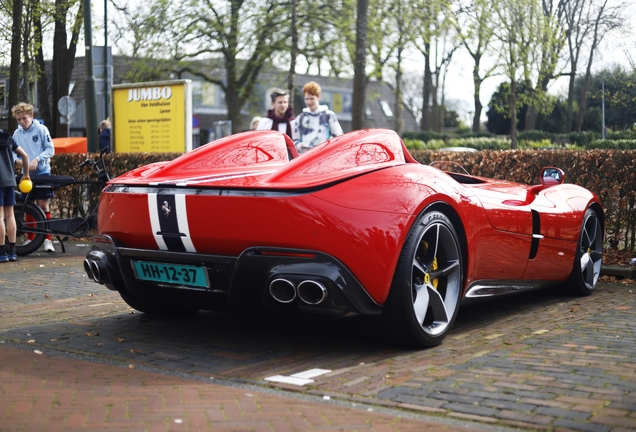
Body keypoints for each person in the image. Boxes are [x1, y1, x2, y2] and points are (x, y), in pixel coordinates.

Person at [11, 102, 55, 252]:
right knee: (27, 205)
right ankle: (31, 239)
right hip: (26, 175)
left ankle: (47, 240)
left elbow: (50, 149)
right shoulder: (16, 134)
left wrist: (37, 159)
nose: (22, 122)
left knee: (43, 205)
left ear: (31, 116)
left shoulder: (41, 129)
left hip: (42, 173)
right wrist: (19, 161)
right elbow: (11, 153)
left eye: (24, 118)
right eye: (19, 119)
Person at [0, 129, 30, 262]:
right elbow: (25, 156)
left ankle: (1, 253)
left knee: (0, 217)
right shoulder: (8, 138)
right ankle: (12, 252)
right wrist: (26, 174)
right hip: (10, 181)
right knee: (10, 215)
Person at [294, 81, 343, 154]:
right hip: (305, 156)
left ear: (318, 97)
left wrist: (328, 145)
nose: (309, 102)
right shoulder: (300, 118)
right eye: (307, 99)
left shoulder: (329, 115)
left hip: (323, 155)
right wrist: (300, 145)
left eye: (311, 98)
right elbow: (295, 140)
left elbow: (339, 137)